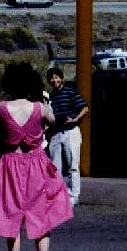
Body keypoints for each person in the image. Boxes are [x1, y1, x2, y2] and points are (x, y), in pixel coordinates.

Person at [0, 62, 73, 251]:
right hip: (35, 164)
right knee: (41, 214)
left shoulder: (2, 108)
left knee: (11, 214)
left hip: (11, 163)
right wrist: (44, 104)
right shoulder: (39, 108)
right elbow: (53, 121)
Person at [45, 67, 88, 207]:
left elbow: (84, 108)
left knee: (72, 165)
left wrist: (75, 119)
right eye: (52, 78)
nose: (54, 80)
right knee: (55, 166)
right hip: (57, 132)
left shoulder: (70, 91)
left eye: (57, 77)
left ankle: (73, 196)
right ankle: (58, 195)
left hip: (71, 131)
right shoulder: (51, 96)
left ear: (62, 78)